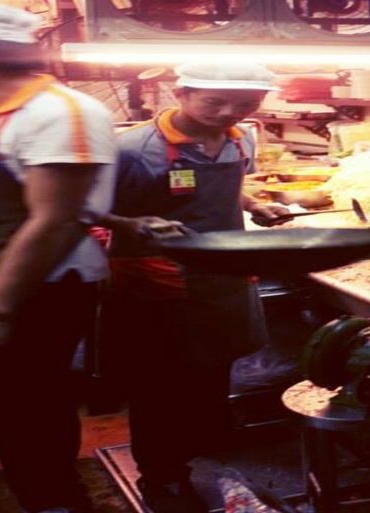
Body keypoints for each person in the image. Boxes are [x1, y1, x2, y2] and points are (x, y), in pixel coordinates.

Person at [98, 62, 294, 512]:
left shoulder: (241, 138)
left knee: (213, 370)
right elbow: (82, 208)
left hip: (222, 276)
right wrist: (127, 224)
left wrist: (254, 205)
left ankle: (205, 452)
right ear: (181, 93)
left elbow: (226, 185)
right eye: (215, 102)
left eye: (246, 104)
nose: (229, 113)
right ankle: (162, 477)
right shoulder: (132, 148)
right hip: (157, 282)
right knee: (159, 388)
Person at [0, 3, 116, 512]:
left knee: (23, 412)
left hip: (36, 290)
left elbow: (54, 221)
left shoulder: (62, 112)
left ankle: (54, 503)